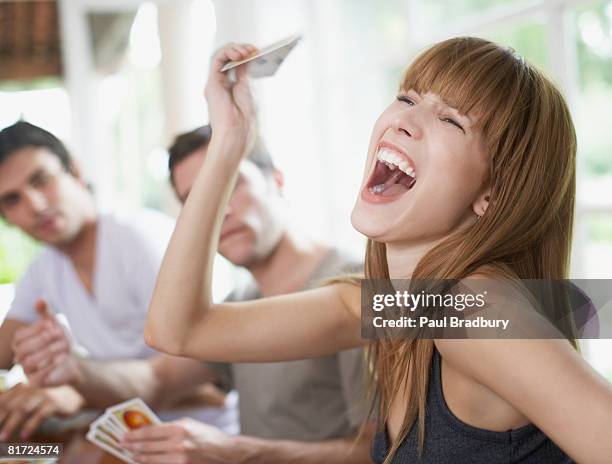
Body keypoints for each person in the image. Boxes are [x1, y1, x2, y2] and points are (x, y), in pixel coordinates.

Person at [144, 38, 612, 464]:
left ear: (492, 194)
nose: (404, 121)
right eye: (407, 98)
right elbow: (179, 329)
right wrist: (229, 140)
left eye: (450, 119)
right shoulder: (391, 306)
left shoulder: (470, 310)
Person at [13, 124, 374, 463]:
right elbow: (157, 381)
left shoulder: (361, 290)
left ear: (276, 180)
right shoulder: (240, 302)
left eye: (232, 185)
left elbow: (380, 451)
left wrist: (238, 453)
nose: (220, 210)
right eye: (199, 200)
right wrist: (76, 370)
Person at [0, 121, 236, 440]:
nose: (35, 205)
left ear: (75, 170)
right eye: (12, 200)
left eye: (41, 180)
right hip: (127, 444)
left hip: (209, 441)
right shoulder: (44, 269)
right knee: (22, 450)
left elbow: (211, 384)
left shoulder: (137, 239)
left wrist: (79, 392)